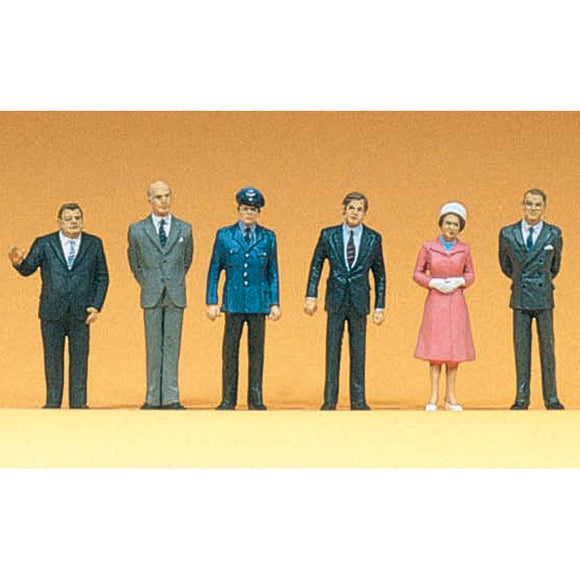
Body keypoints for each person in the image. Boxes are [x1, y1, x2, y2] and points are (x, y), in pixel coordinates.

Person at [9, 203, 109, 409]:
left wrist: (96, 305)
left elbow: (102, 277)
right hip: (51, 311)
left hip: (81, 313)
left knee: (79, 360)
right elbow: (28, 269)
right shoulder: (45, 243)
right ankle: (52, 403)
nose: (74, 222)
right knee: (53, 359)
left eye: (77, 218)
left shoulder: (93, 243)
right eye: (68, 218)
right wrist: (18, 262)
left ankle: (79, 403)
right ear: (59, 222)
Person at [304, 192, 386, 410]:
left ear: (364, 213)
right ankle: (329, 400)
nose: (355, 213)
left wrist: (380, 305)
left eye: (359, 209)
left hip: (359, 300)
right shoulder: (328, 235)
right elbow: (316, 266)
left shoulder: (373, 238)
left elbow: (380, 274)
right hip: (336, 298)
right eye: (351, 208)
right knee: (332, 350)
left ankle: (358, 400)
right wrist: (311, 295)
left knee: (358, 352)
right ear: (344, 209)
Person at [206, 187, 281, 410]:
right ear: (239, 209)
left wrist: (275, 302)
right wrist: (212, 300)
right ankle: (228, 398)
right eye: (246, 209)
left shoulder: (268, 237)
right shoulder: (224, 235)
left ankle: (255, 399)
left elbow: (273, 272)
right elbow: (214, 270)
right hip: (233, 302)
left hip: (258, 302)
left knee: (256, 353)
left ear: (259, 212)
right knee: (229, 352)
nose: (249, 213)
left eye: (254, 209)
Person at [128, 180, 193, 410]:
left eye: (167, 195)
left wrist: (173, 279)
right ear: (149, 199)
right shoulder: (137, 230)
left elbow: (186, 261)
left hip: (175, 293)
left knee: (173, 346)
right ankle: (152, 396)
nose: (163, 201)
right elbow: (135, 262)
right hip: (151, 293)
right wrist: (148, 281)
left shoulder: (185, 229)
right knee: (153, 346)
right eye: (158, 197)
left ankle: (172, 396)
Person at [499, 188, 564, 410]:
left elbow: (555, 266)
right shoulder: (507, 233)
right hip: (520, 296)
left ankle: (551, 397)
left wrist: (540, 279)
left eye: (537, 204)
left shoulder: (553, 233)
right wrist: (521, 279)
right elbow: (506, 265)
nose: (533, 208)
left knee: (548, 348)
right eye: (529, 203)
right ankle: (521, 397)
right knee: (521, 348)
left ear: (544, 207)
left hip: (543, 296)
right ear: (522, 205)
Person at [413, 202, 475, 411]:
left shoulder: (464, 249)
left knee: (454, 351)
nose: (451, 227)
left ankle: (451, 396)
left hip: (456, 301)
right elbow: (417, 273)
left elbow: (470, 273)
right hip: (436, 301)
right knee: (436, 349)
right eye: (448, 223)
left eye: (455, 224)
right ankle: (433, 395)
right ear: (441, 224)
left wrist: (461, 281)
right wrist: (432, 282)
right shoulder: (428, 247)